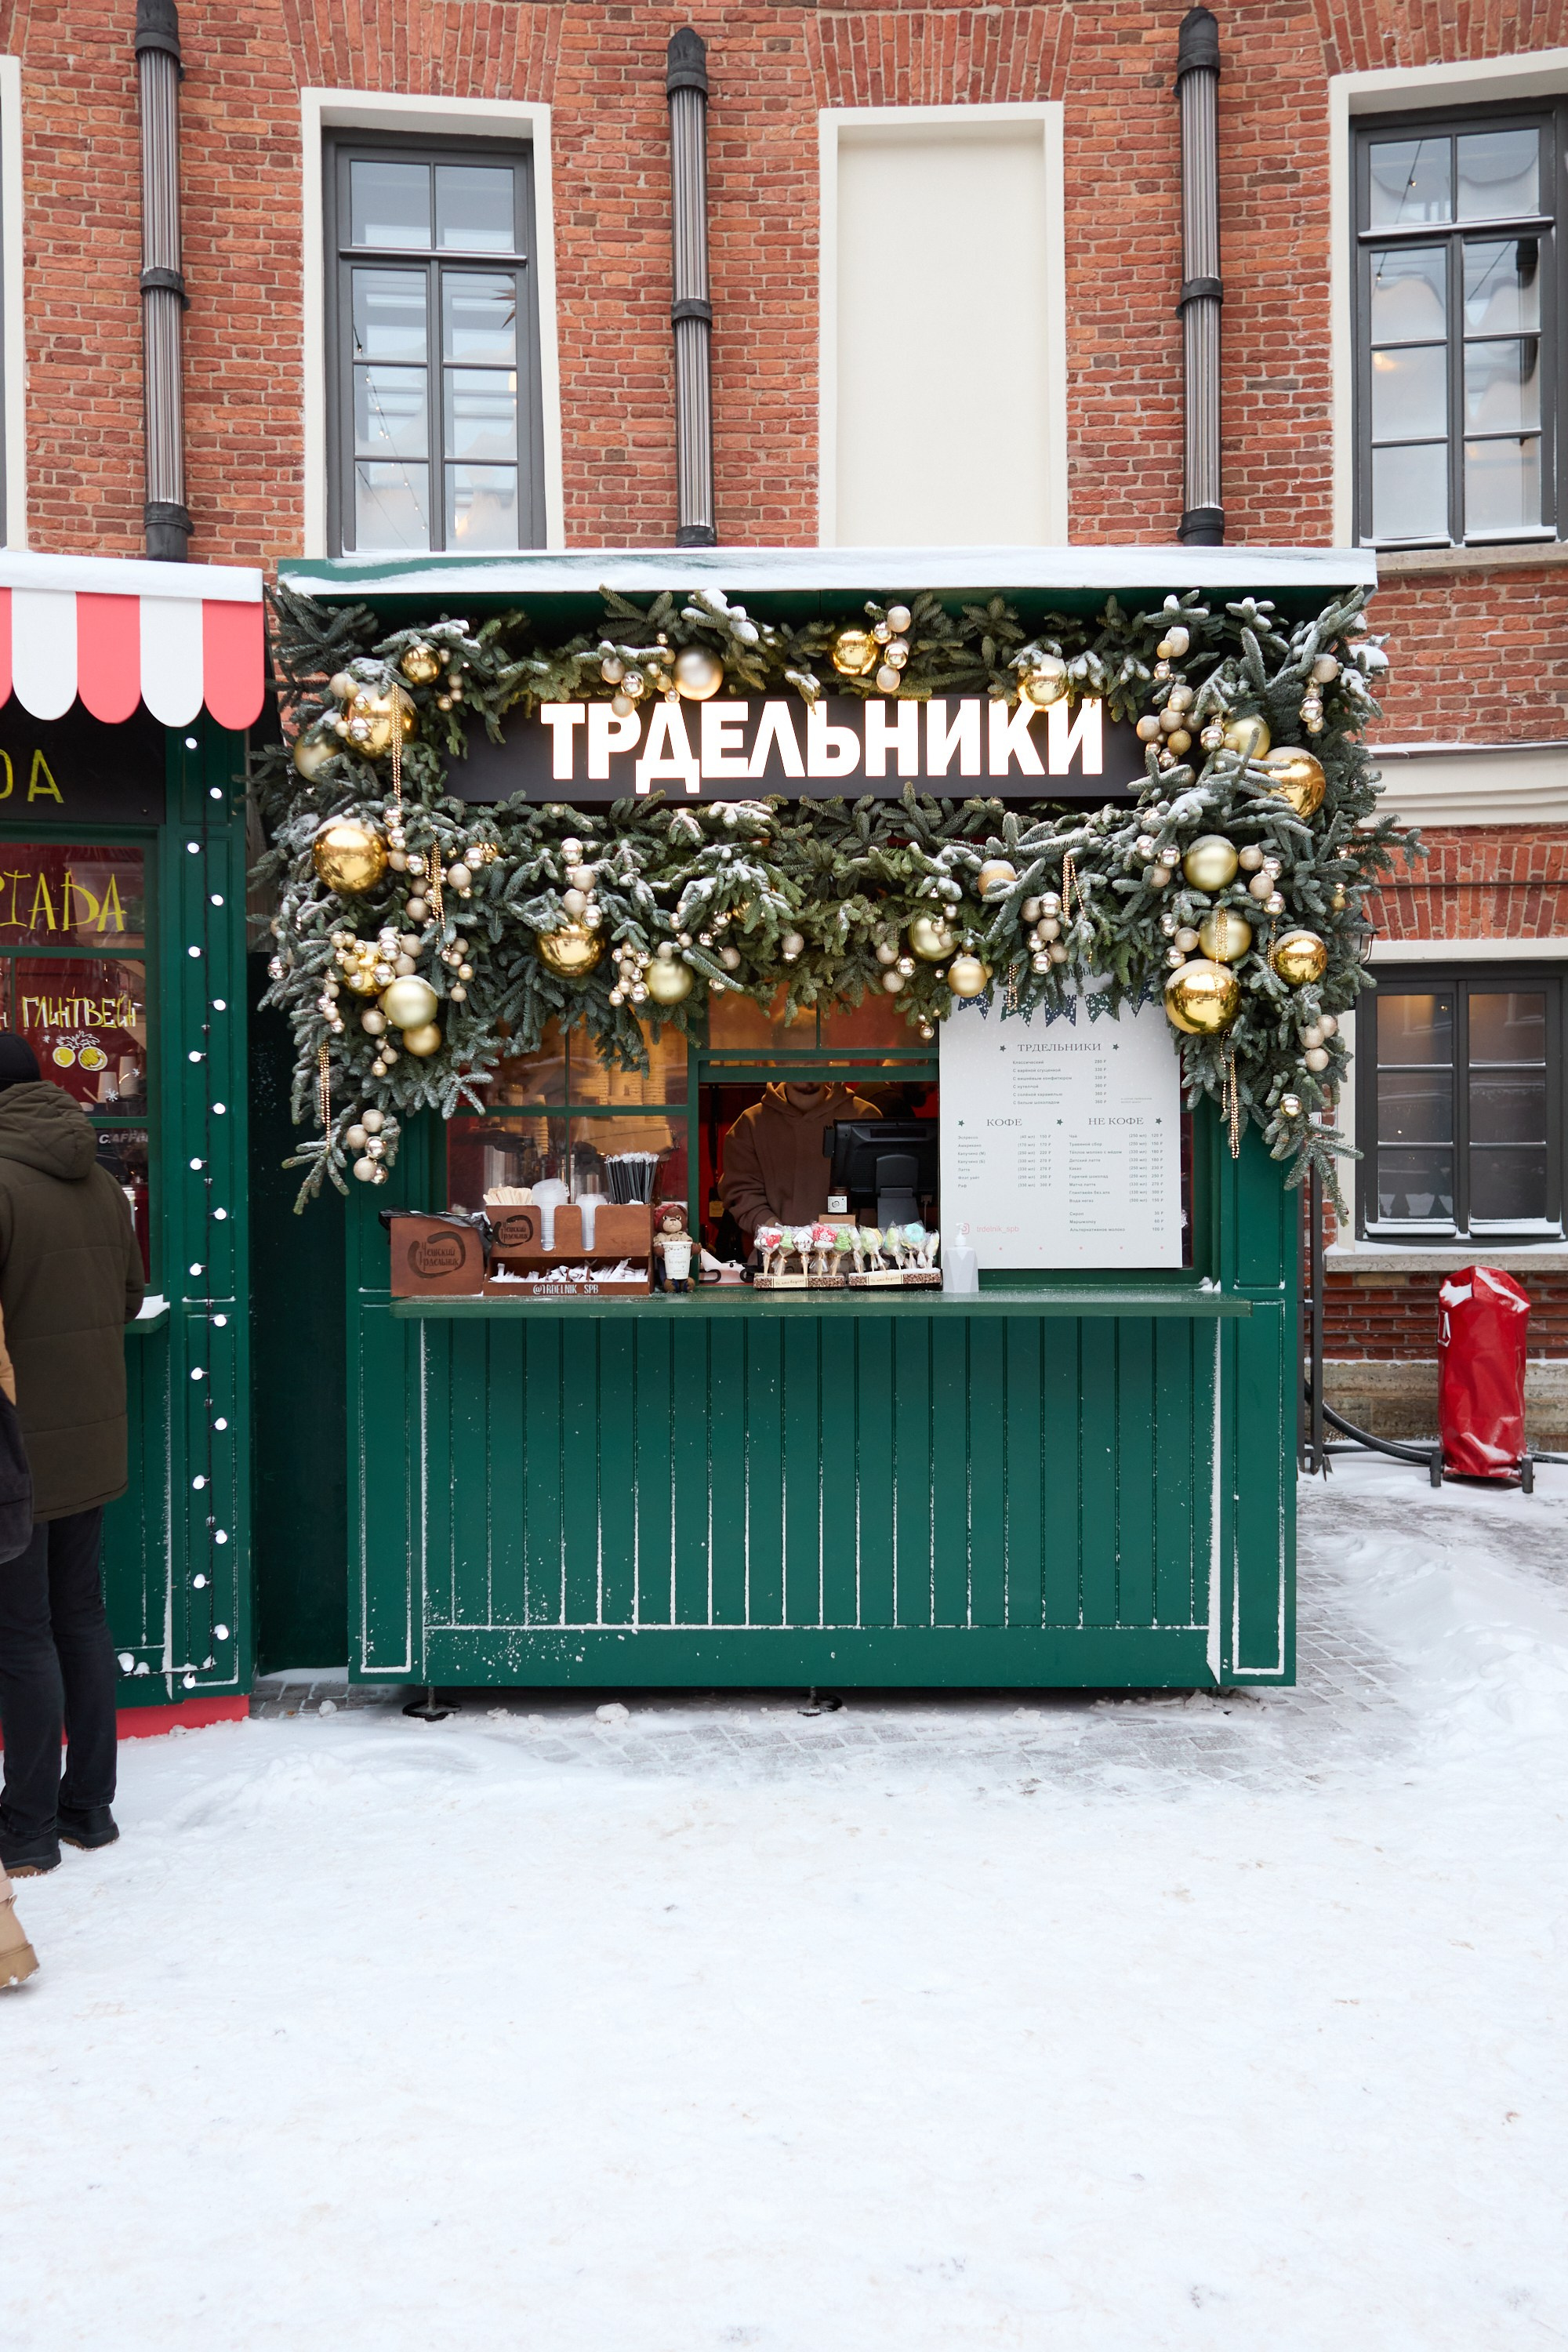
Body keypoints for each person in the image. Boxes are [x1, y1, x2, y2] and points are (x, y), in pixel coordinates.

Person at [0, 1036, 144, 1878]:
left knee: (20, 1637)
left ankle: (24, 1829)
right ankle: (87, 1807)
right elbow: (127, 1297)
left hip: (15, 1445)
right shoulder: (101, 1182)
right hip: (91, 1436)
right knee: (79, 1618)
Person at [719, 1079, 881, 1249]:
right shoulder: (749, 1124)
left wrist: (857, 1245)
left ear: (828, 1060)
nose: (808, 1062)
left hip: (853, 1264)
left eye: (815, 1055)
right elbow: (741, 1192)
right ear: (780, 1061)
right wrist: (781, 1238)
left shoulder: (865, 1115)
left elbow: (875, 1197)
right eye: (798, 1053)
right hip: (776, 1263)